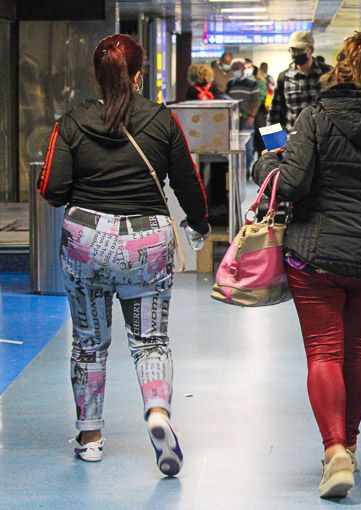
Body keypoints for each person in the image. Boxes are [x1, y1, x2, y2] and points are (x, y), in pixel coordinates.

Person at [252, 32, 361, 498]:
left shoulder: (315, 117)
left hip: (316, 256)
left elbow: (290, 185)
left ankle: (333, 452)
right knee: (358, 351)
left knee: (324, 352)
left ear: (342, 67)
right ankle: (349, 445)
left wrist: (266, 164)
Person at [35, 34, 209, 476]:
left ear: (97, 76)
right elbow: (188, 181)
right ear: (138, 75)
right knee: (150, 340)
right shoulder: (161, 120)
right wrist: (200, 224)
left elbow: (52, 190)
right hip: (146, 243)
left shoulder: (71, 123)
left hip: (87, 241)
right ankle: (157, 412)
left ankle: (90, 437)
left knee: (89, 343)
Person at [268, 30, 332, 133]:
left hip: (323, 140)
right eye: (292, 50)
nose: (295, 54)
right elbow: (274, 115)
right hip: (294, 141)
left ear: (311, 50)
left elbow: (338, 109)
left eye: (300, 50)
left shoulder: (327, 74)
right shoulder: (284, 78)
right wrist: (273, 146)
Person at [227, 60, 263, 171]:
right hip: (232, 120)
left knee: (248, 148)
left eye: (237, 67)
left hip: (247, 119)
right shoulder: (230, 84)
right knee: (233, 147)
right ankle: (236, 170)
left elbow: (256, 102)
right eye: (233, 68)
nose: (235, 70)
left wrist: (252, 117)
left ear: (243, 68)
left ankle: (246, 170)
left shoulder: (252, 83)